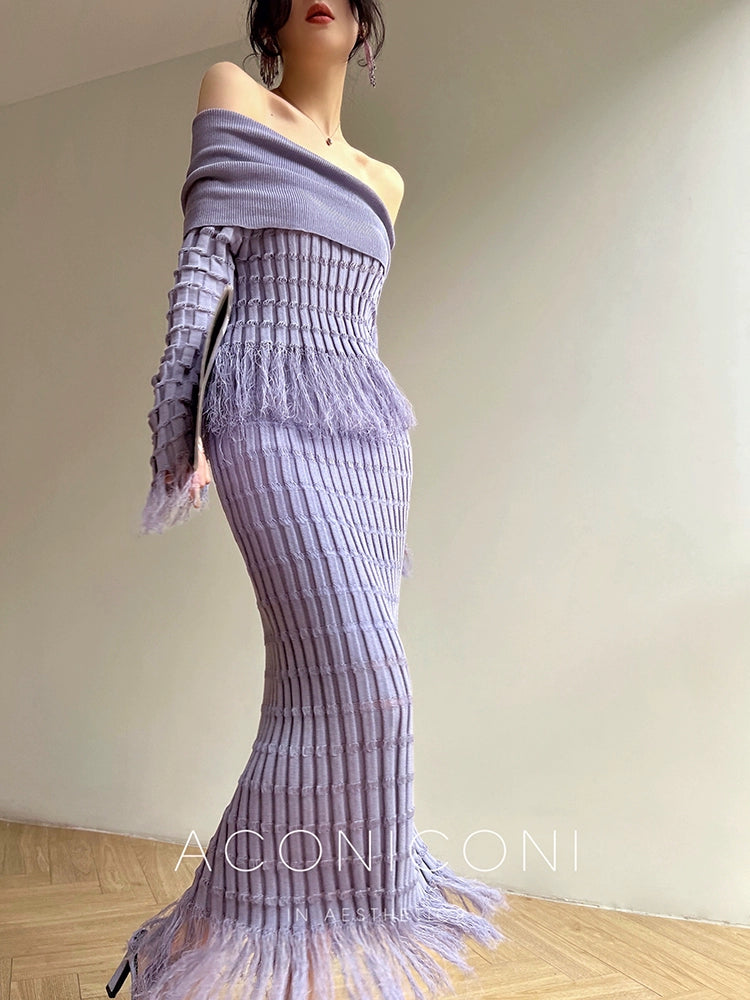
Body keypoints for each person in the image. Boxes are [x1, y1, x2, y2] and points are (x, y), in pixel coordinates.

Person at [109, 2, 510, 998]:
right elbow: (203, 266)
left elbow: (355, 328)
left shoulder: (386, 181)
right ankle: (255, 932)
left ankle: (271, 958)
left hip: (368, 447)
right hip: (260, 412)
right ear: (271, 20)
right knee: (376, 687)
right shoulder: (234, 95)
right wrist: (185, 423)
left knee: (315, 695)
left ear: (366, 25)